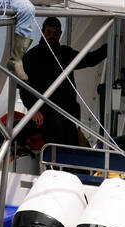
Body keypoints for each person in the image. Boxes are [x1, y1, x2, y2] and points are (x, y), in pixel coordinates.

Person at [18, 16, 109, 148]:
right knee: (56, 149)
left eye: (55, 33)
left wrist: (110, 45)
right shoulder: (31, 57)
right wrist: (33, 110)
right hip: (46, 116)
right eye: (48, 32)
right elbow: (24, 88)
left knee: (71, 150)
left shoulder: (65, 53)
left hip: (68, 114)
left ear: (60, 34)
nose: (52, 36)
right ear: (43, 32)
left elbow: (89, 59)